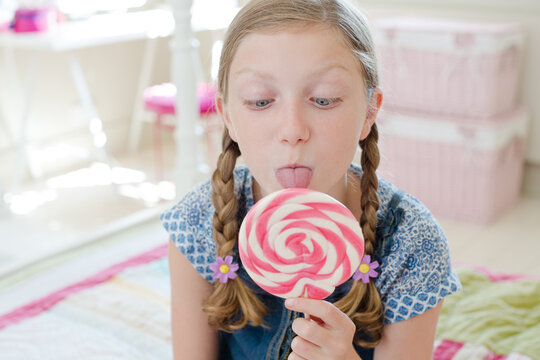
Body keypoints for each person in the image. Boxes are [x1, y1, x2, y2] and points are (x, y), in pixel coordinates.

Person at [162, 0, 461, 359]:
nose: (293, 130)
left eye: (324, 99)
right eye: (259, 101)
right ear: (228, 116)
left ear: (369, 112)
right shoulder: (198, 222)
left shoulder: (411, 243)